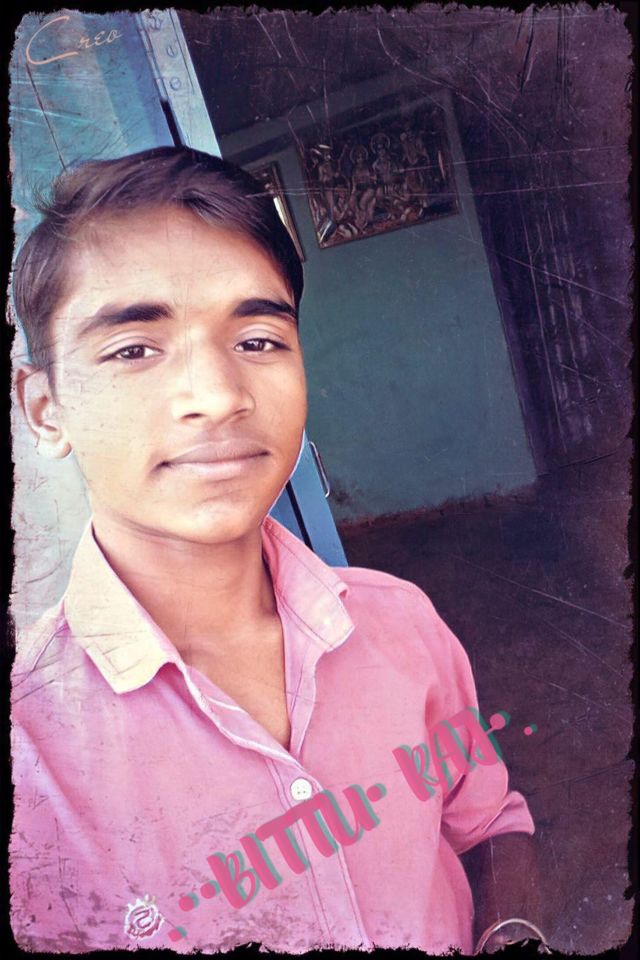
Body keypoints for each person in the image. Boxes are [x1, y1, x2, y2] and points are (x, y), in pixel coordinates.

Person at [10, 146, 546, 954]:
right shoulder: (32, 755)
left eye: (258, 339)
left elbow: (489, 821)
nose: (219, 396)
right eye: (134, 349)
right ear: (46, 409)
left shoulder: (400, 623)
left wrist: (513, 931)